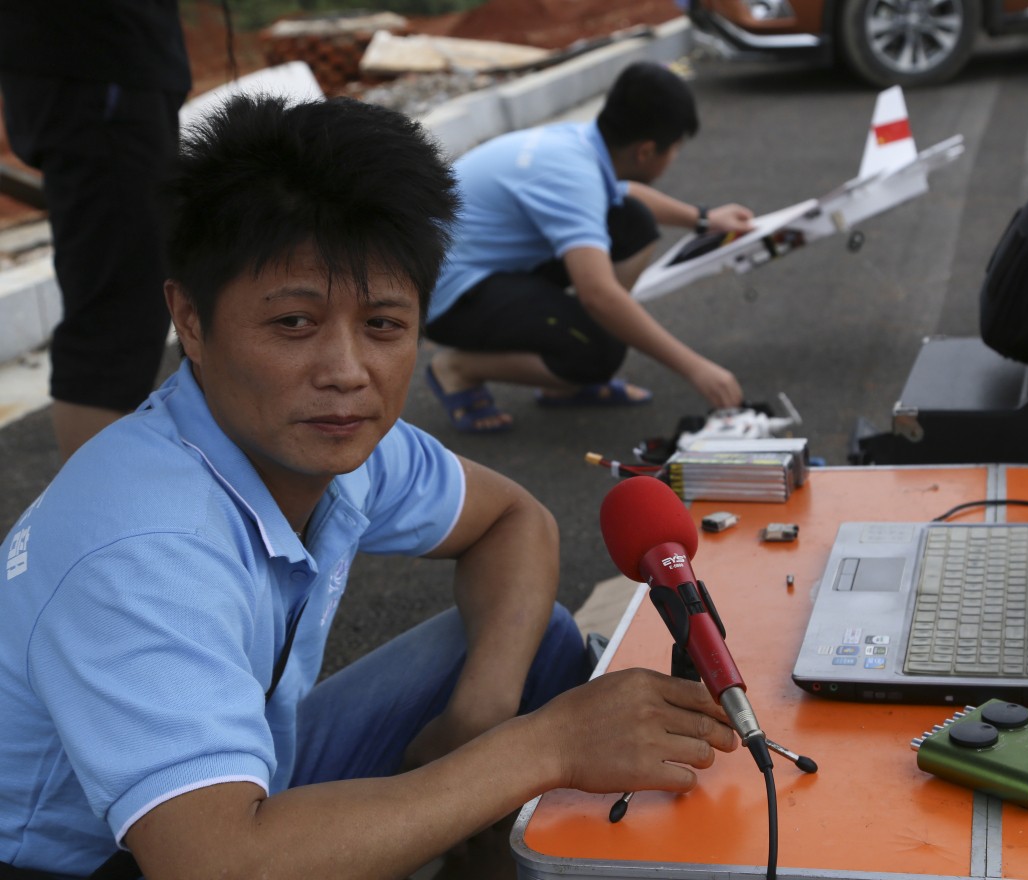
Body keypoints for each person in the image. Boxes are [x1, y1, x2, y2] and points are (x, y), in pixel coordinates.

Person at [0, 95, 739, 879]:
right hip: (101, 859)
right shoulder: (144, 545)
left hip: (239, 792)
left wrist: (478, 720)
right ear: (189, 316)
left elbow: (516, 522)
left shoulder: (320, 438)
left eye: (383, 325)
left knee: (535, 643)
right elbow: (212, 863)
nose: (347, 373)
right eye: (293, 323)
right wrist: (542, 747)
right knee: (548, 726)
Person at [423, 61, 755, 433]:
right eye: (673, 149)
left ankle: (564, 368)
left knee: (631, 222)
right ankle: (457, 368)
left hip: (475, 267)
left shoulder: (580, 144)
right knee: (599, 351)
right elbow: (597, 294)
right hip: (446, 299)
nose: (672, 157)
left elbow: (624, 195)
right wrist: (697, 368)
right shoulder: (573, 176)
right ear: (646, 151)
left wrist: (705, 219)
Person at [0, 0, 192, 462]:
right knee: (116, 315)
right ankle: (100, 523)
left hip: (115, 67)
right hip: (97, 67)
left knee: (144, 295)